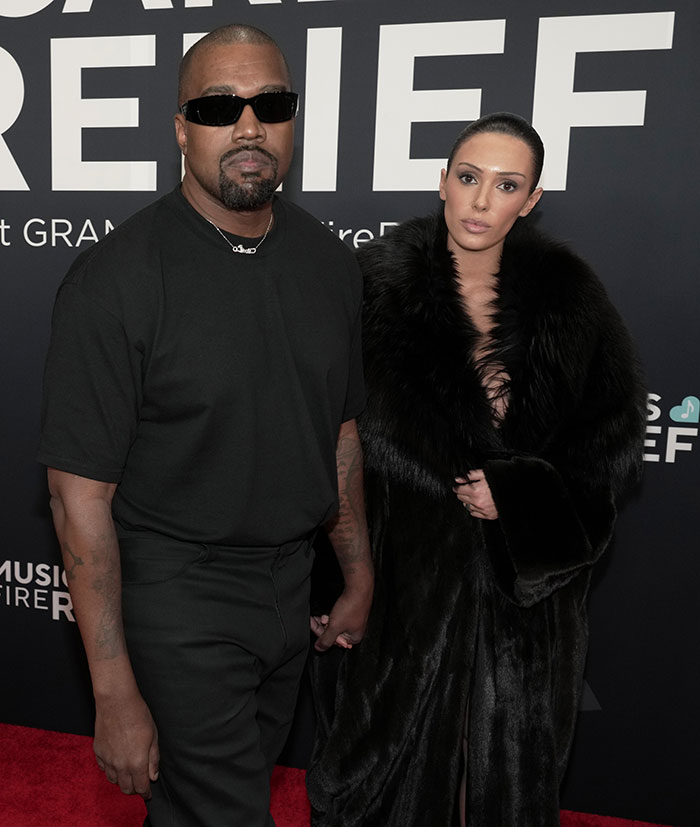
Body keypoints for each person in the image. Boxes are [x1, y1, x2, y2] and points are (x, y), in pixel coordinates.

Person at [38, 23, 373, 827]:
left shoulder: (330, 264)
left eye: (271, 104)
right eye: (220, 107)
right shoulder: (115, 280)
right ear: (181, 128)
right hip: (178, 597)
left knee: (220, 801)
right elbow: (78, 499)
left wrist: (357, 575)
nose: (249, 126)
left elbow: (339, 435)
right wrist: (113, 691)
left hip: (290, 589)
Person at [307, 112, 646, 826]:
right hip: (401, 598)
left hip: (523, 612)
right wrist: (338, 580)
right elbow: (325, 445)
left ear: (532, 199)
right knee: (384, 782)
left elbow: (606, 455)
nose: (482, 200)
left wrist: (520, 497)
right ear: (443, 182)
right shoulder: (368, 293)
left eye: (507, 185)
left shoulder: (572, 302)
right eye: (469, 177)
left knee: (500, 782)